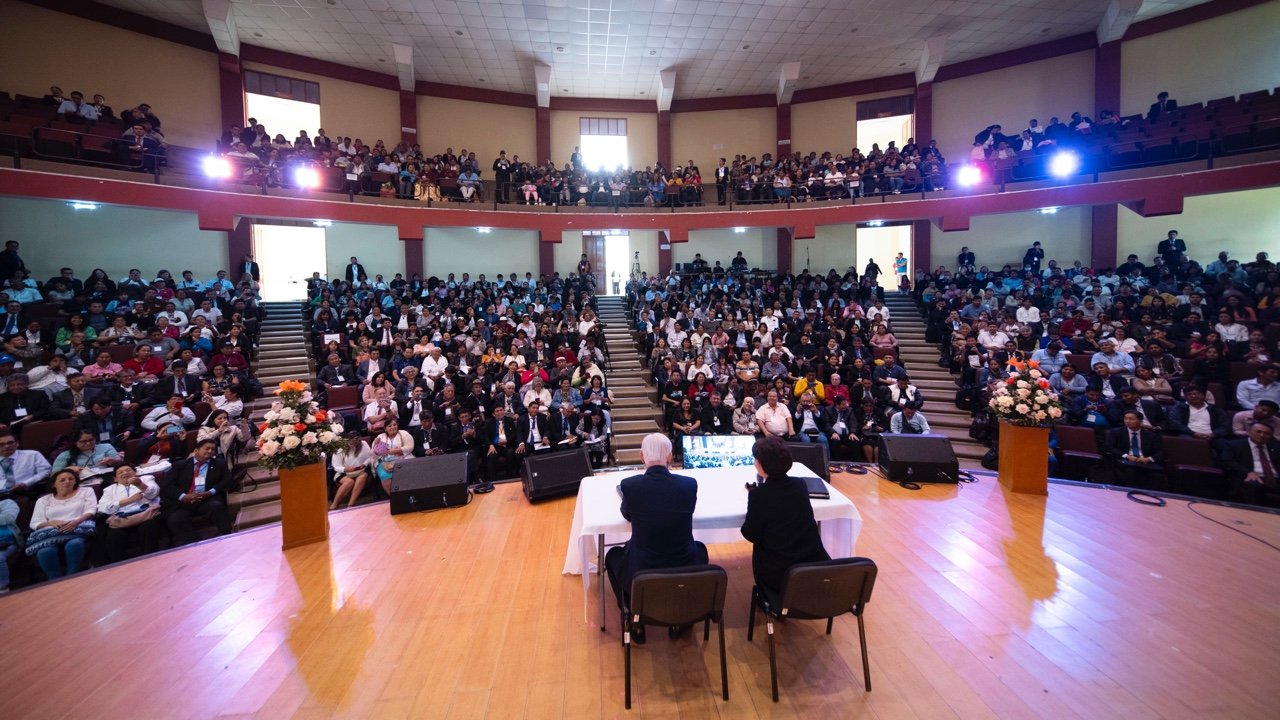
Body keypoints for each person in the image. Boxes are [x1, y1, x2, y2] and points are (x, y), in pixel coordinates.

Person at [604, 434, 707, 643]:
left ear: (642, 457)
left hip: (643, 569)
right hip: (683, 565)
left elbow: (627, 514)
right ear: (670, 458)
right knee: (701, 548)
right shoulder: (689, 485)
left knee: (612, 555)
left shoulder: (630, 486)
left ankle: (634, 615)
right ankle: (681, 618)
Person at [740, 437, 831, 595]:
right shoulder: (800, 484)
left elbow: (750, 533)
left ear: (761, 464)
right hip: (813, 564)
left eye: (755, 459)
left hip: (779, 574)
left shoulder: (759, 495)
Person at [26, 469, 97, 579]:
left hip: (77, 527)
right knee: (45, 551)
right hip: (51, 531)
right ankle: (54, 581)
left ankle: (72, 577)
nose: (67, 481)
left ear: (75, 481)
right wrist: (50, 523)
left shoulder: (86, 491)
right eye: (62, 480)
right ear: (54, 484)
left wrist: (77, 521)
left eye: (71, 479)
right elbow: (35, 523)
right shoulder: (43, 500)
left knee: (74, 544)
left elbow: (91, 510)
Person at [162, 439, 235, 545]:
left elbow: (227, 481)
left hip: (206, 499)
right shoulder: (179, 465)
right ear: (196, 450)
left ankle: (229, 537)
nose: (210, 451)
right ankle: (198, 545)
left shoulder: (219, 463)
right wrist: (183, 497)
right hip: (184, 502)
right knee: (175, 520)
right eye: (207, 448)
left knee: (217, 507)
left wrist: (210, 492)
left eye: (213, 449)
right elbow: (167, 486)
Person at [97, 465, 162, 562]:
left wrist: (140, 484)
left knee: (148, 527)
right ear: (115, 478)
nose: (125, 473)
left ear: (135, 473)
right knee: (114, 536)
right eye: (120, 472)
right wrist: (128, 501)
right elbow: (102, 508)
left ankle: (151, 561)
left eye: (128, 470)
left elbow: (154, 493)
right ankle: (118, 566)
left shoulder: (146, 479)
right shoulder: (109, 489)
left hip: (145, 516)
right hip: (121, 520)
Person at [1221, 422, 1279, 507]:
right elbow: (1227, 461)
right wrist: (1248, 472)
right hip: (1251, 477)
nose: (1262, 435)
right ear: (1249, 432)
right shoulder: (1234, 445)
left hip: (1275, 478)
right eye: (1258, 432)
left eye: (1267, 433)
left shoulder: (1277, 448)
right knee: (1253, 487)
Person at [330, 431, 374, 509]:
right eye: (351, 443)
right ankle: (334, 504)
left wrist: (364, 464)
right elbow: (336, 466)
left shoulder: (364, 444)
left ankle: (351, 504)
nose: (353, 445)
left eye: (356, 442)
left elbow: (370, 457)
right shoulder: (340, 448)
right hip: (345, 472)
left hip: (361, 470)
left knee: (362, 477)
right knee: (349, 482)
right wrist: (345, 469)